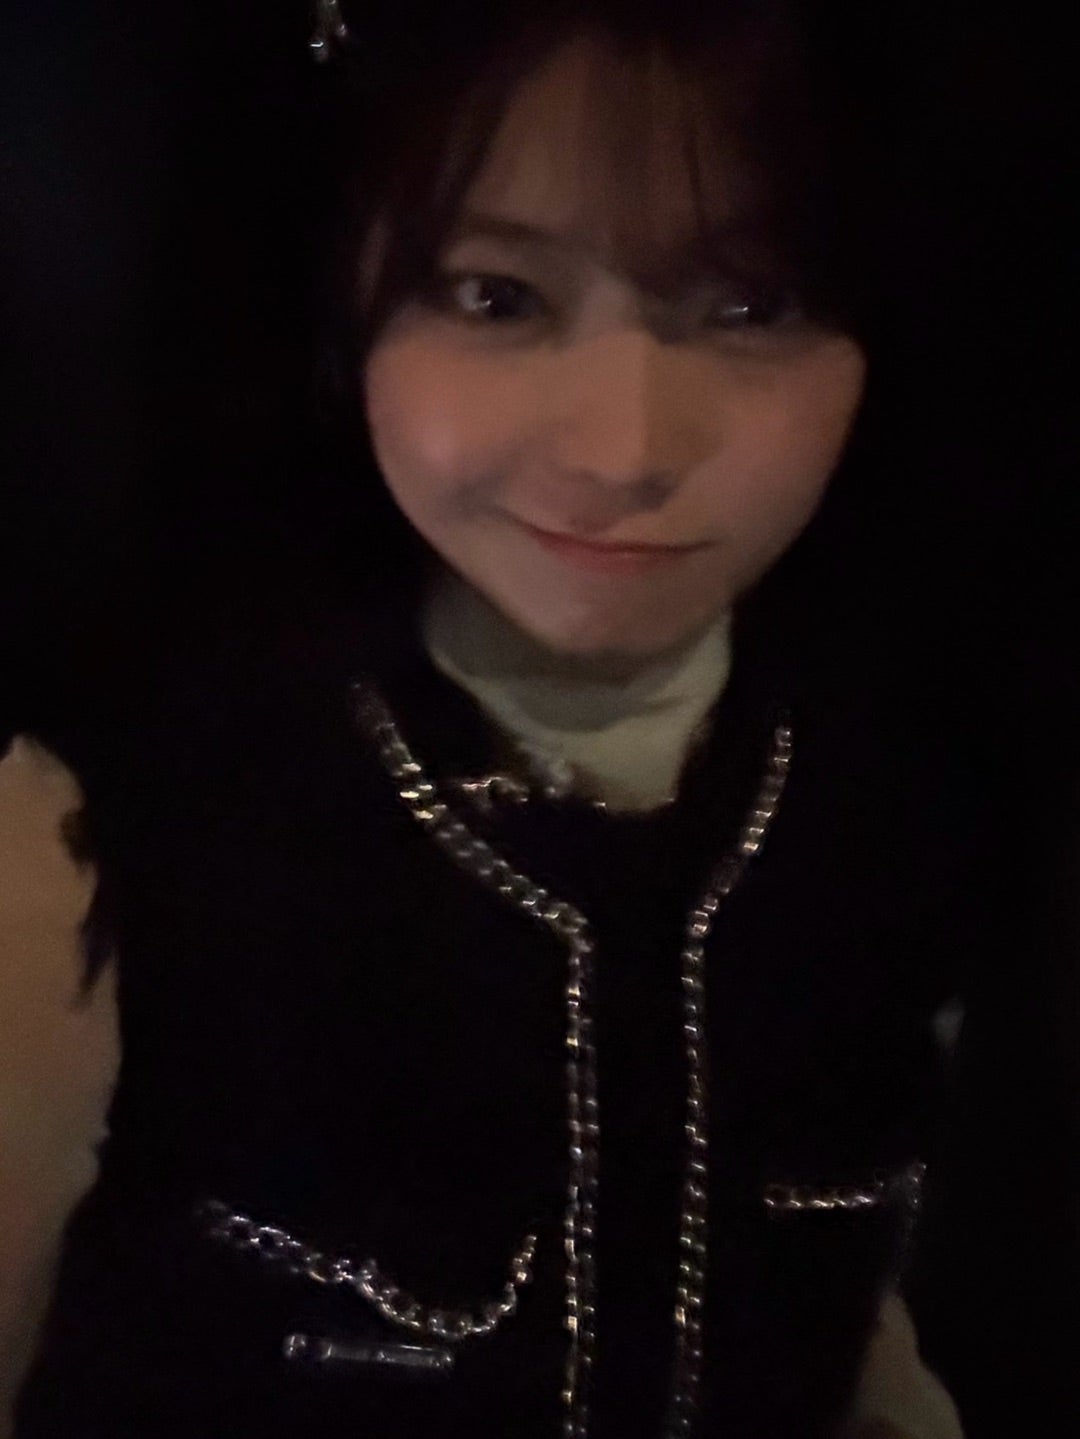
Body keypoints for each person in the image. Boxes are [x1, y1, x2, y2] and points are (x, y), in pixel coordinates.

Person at [3, 0, 1041, 1435]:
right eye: (497, 297)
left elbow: (854, 1324)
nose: (626, 452)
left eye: (754, 306)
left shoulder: (904, 799)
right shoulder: (88, 831)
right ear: (337, 296)